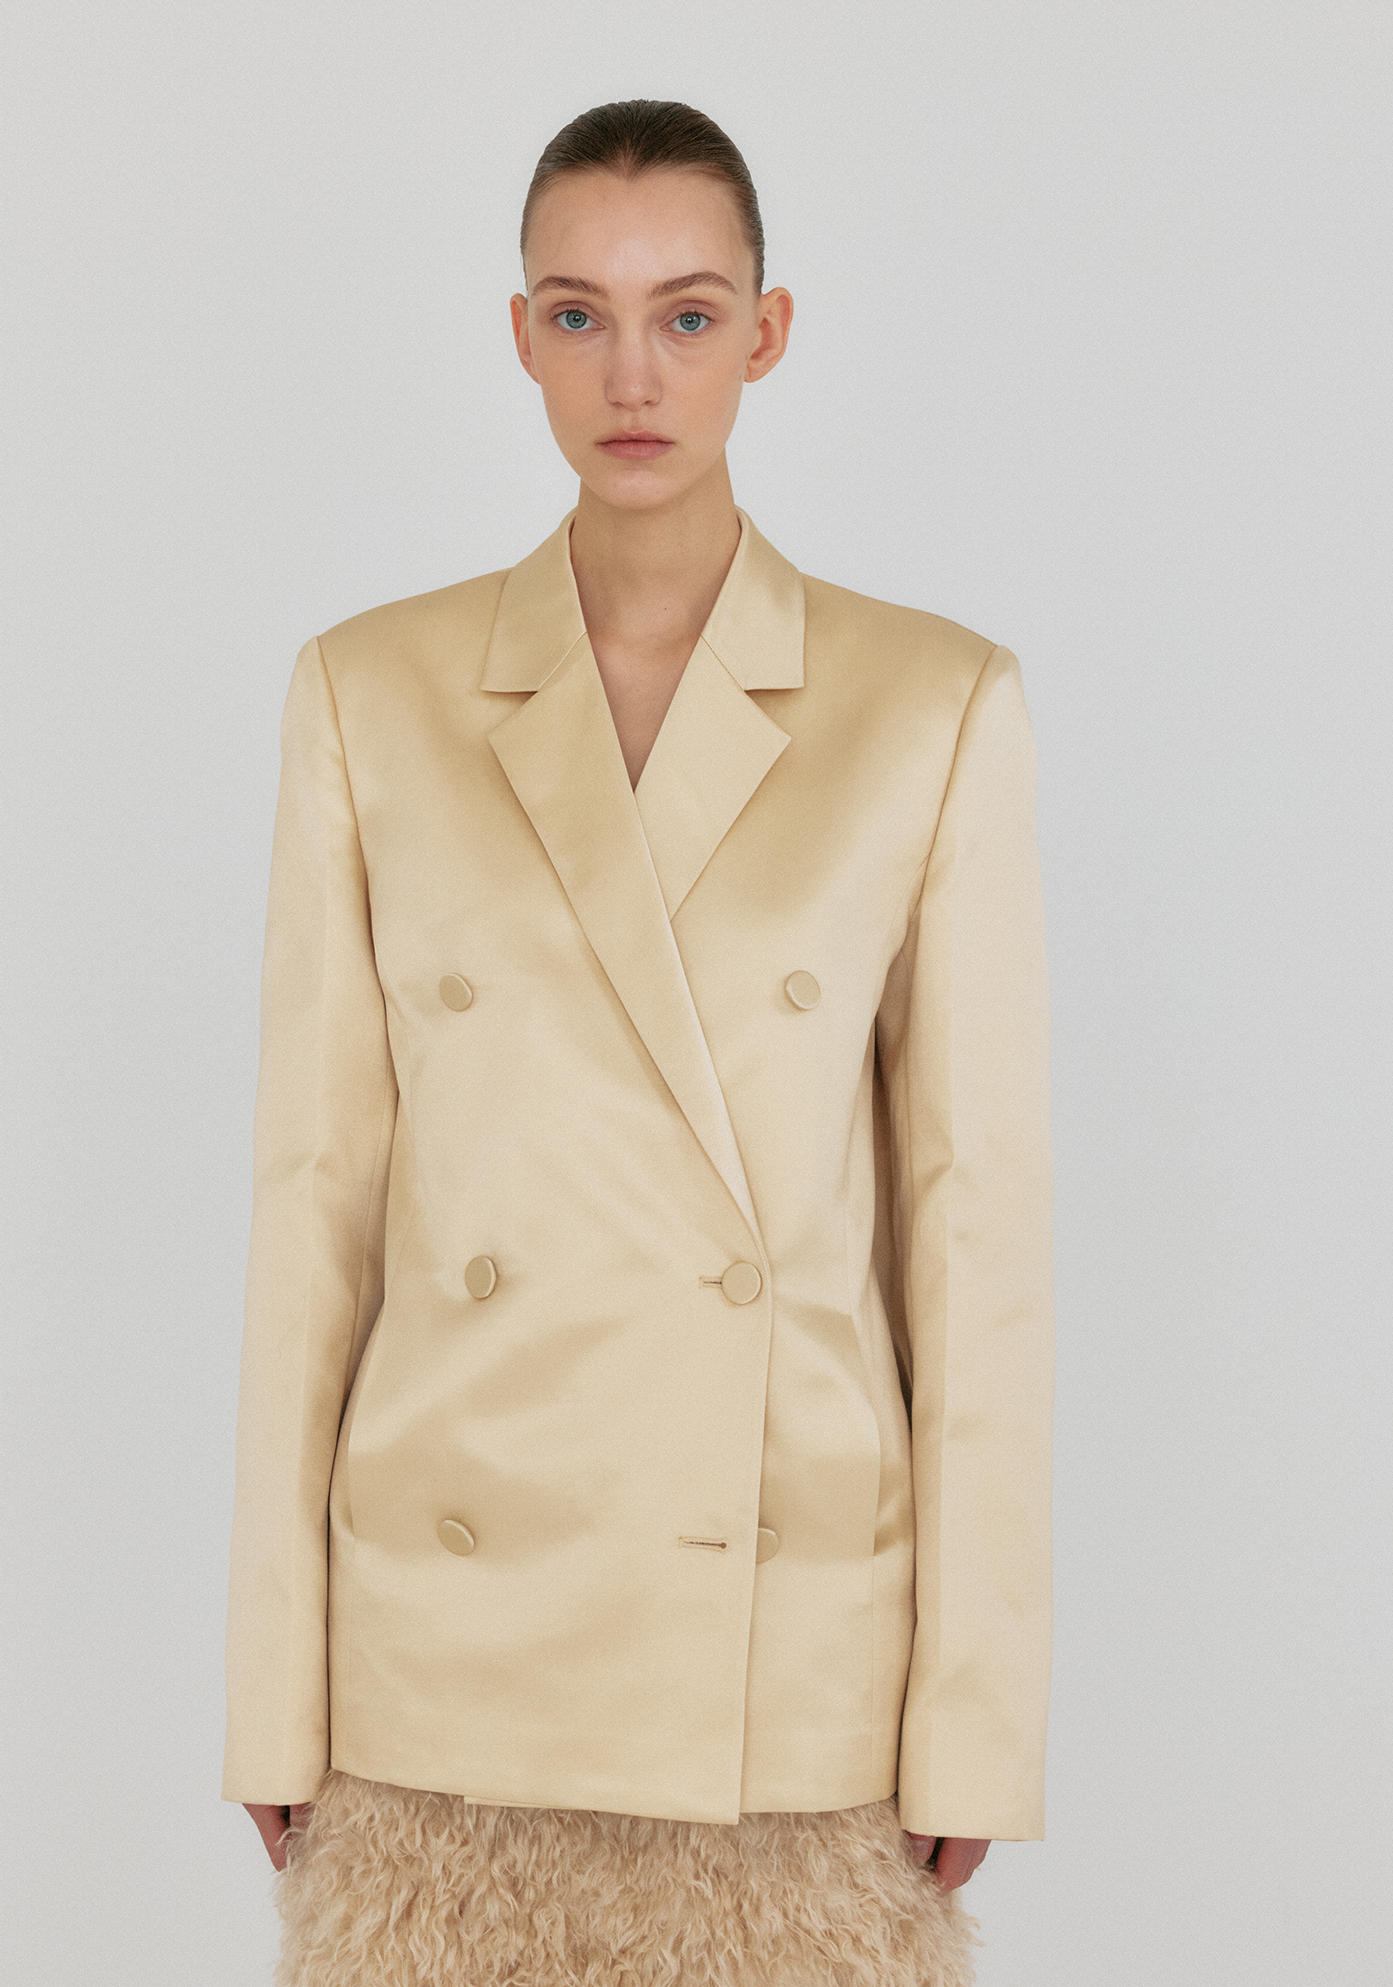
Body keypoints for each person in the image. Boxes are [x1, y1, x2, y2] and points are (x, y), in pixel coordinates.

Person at [223, 99, 1054, 1987]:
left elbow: (976, 1241)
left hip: (783, 1671)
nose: (634, 376)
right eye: (579, 315)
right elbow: (312, 1210)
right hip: (441, 1662)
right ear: (520, 335)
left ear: (769, 335)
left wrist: (977, 1717)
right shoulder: (370, 692)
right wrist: (274, 1691)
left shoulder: (931, 705)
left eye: (688, 315)